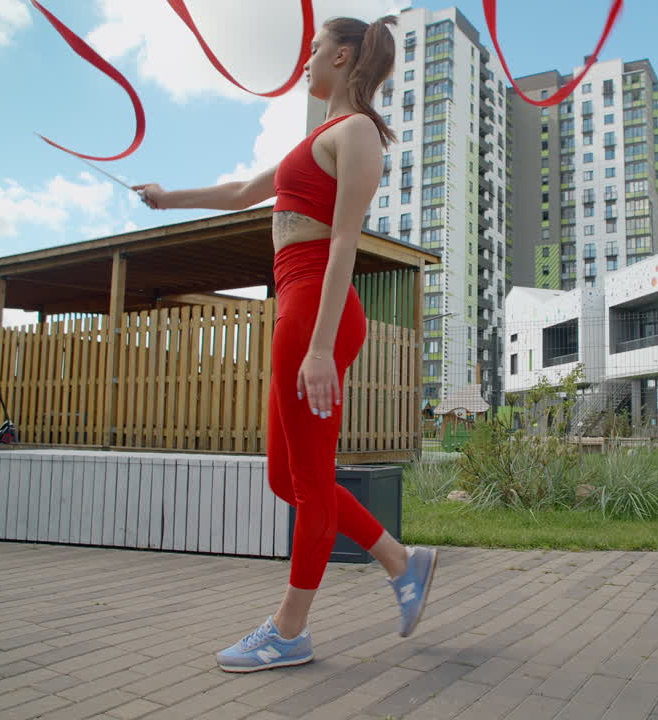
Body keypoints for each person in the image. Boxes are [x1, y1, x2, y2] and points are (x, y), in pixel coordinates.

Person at [133, 15, 437, 673]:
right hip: (295, 306)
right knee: (287, 478)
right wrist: (166, 198)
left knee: (308, 478)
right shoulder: (320, 136)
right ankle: (399, 561)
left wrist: (322, 347)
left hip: (314, 313)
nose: (307, 57)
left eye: (316, 47)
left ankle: (289, 630)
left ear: (346, 56)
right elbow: (244, 191)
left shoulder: (357, 134)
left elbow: (344, 245)